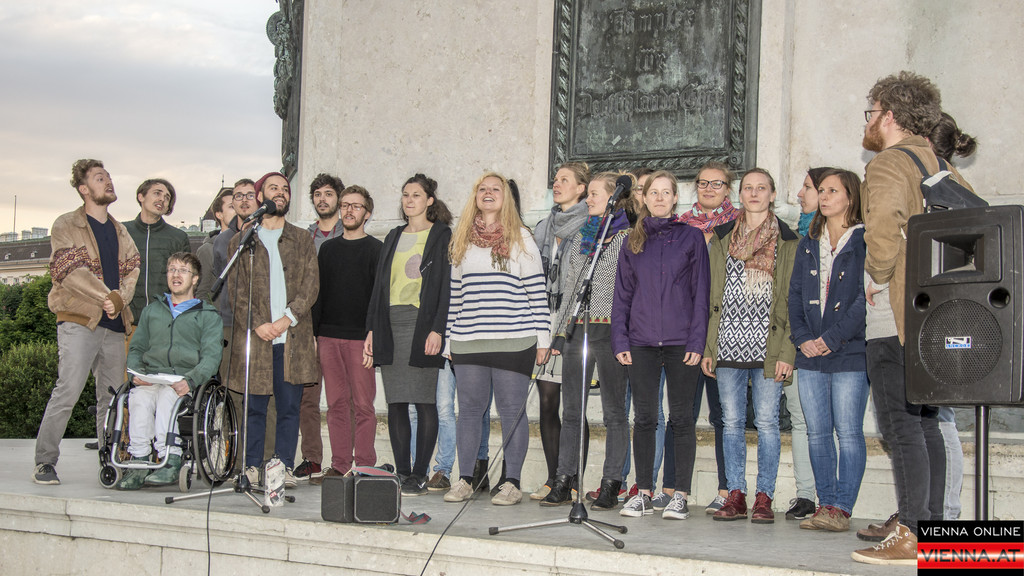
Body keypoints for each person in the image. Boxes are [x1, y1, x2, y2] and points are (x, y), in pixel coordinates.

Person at [851, 73, 975, 565]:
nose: (870, 121)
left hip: (895, 311)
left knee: (901, 425)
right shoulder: (942, 164)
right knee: (926, 424)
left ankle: (911, 533)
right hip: (938, 314)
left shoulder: (887, 164)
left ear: (891, 115)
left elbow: (881, 232)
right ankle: (937, 532)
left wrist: (876, 273)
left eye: (872, 111)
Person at [443, 172, 550, 506]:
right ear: (475, 196)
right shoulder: (461, 238)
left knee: (511, 412)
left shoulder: (521, 238)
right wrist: (448, 340)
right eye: (482, 189)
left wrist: (543, 338)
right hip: (468, 340)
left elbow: (537, 293)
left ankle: (511, 482)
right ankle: (464, 479)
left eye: (495, 189)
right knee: (470, 412)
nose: (488, 193)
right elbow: (455, 296)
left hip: (514, 340)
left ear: (506, 198)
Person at [33, 159, 140, 485]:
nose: (108, 182)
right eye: (99, 178)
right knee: (67, 391)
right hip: (80, 321)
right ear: (83, 188)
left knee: (111, 399)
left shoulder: (121, 230)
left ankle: (111, 461)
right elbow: (68, 271)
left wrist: (120, 297)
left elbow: (133, 268)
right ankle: (44, 461)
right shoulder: (66, 224)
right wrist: (107, 295)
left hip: (114, 325)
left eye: (108, 177)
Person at [703, 168, 798, 524]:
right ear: (739, 195)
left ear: (772, 194)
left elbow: (791, 299)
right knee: (730, 422)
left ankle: (764, 496)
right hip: (727, 344)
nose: (754, 194)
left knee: (768, 423)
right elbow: (713, 296)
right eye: (748, 188)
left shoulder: (788, 240)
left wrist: (788, 352)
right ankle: (737, 493)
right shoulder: (722, 238)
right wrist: (709, 347)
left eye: (762, 188)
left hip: (768, 348)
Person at [613, 170, 710, 519]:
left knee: (682, 418)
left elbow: (702, 295)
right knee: (645, 417)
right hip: (640, 342)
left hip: (682, 342)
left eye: (666, 192)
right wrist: (620, 339)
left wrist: (698, 341)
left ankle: (679, 494)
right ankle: (643, 491)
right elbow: (622, 295)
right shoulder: (631, 240)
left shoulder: (692, 238)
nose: (659, 198)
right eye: (654, 192)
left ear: (674, 199)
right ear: (644, 197)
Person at [542, 172, 631, 510]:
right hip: (578, 328)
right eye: (589, 194)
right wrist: (559, 332)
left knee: (613, 412)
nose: (589, 200)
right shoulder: (581, 235)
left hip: (610, 331)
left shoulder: (625, 237)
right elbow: (570, 286)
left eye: (594, 194)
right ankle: (565, 478)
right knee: (571, 409)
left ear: (613, 197)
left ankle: (611, 482)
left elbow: (628, 290)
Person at [227, 172, 320, 487]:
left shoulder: (301, 238)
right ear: (259, 195)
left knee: (289, 407)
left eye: (285, 189)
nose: (280, 193)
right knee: (254, 406)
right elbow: (237, 293)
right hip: (257, 338)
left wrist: (287, 317)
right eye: (273, 188)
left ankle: (284, 467)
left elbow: (311, 284)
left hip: (291, 337)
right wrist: (258, 324)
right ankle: (252, 466)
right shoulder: (242, 242)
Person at [788, 168, 868, 531]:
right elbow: (793, 297)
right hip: (809, 352)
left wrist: (831, 339)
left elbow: (863, 301)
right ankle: (826, 504)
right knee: (817, 431)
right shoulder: (809, 241)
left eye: (832, 190)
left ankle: (843, 507)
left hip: (848, 350)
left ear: (850, 197)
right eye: (821, 190)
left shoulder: (863, 240)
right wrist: (803, 338)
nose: (823, 196)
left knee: (848, 430)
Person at [366, 173, 452, 496]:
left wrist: (438, 329)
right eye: (405, 195)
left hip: (422, 324)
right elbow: (378, 288)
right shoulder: (392, 236)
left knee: (424, 399)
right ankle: (402, 472)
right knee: (397, 401)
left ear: (429, 200)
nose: (409, 200)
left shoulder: (441, 235)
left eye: (416, 195)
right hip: (390, 324)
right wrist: (372, 330)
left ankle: (419, 473)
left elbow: (445, 287)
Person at [117, 252, 223, 489]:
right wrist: (135, 374)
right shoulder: (152, 311)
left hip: (183, 378)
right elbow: (136, 348)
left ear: (195, 279)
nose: (176, 275)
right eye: (172, 269)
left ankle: (170, 459)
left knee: (168, 397)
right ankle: (139, 459)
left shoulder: (207, 314)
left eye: (183, 270)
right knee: (138, 398)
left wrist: (192, 380)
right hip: (152, 376)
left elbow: (212, 356)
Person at [675, 161, 740, 513]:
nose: (709, 189)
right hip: (686, 330)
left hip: (725, 331)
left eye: (717, 184)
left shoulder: (741, 225)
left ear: (729, 188)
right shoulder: (681, 225)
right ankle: (674, 488)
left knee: (723, 416)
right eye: (703, 183)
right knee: (681, 414)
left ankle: (727, 488)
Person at [310, 185, 382, 486]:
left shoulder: (377, 250)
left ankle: (364, 465)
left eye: (356, 205)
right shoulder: (327, 249)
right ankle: (339, 464)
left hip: (360, 340)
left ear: (367, 213)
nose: (349, 210)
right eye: (345, 205)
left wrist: (373, 335)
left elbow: (379, 299)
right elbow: (319, 295)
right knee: (337, 403)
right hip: (328, 337)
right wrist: (315, 336)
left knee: (364, 405)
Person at [530, 161, 590, 500]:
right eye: (555, 179)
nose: (558, 184)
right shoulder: (543, 227)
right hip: (545, 318)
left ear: (581, 188)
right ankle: (554, 477)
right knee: (547, 401)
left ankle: (573, 478)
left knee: (573, 407)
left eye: (565, 180)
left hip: (573, 321)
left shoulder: (589, 226)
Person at [784, 166, 830, 522]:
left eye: (807, 187)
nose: (800, 194)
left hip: (835, 344)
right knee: (801, 420)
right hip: (799, 342)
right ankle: (805, 495)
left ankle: (835, 497)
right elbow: (791, 295)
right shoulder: (794, 238)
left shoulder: (841, 236)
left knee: (837, 425)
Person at [294, 172, 347, 481]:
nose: (323, 199)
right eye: (317, 195)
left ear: (338, 199)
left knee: (345, 399)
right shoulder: (305, 238)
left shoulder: (349, 233)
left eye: (328, 193)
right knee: (308, 398)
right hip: (309, 327)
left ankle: (346, 459)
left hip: (341, 327)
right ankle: (312, 458)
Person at [125, 179, 192, 324]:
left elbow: (187, 282)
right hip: (127, 321)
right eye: (157, 193)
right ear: (141, 196)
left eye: (167, 197)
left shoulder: (178, 237)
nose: (162, 199)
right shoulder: (122, 232)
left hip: (164, 322)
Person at [196, 187, 235, 302]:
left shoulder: (252, 244)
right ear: (219, 214)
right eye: (232, 207)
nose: (238, 209)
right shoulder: (207, 250)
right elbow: (201, 293)